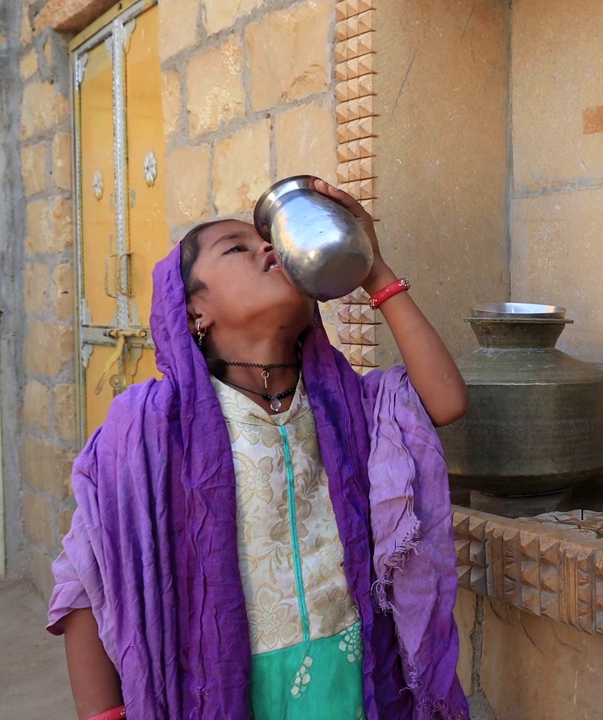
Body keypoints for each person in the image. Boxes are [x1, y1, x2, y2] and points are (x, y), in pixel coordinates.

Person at [46, 179, 471, 719]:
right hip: (221, 690)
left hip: (353, 679)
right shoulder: (149, 427)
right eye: (237, 248)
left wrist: (373, 268)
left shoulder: (350, 406)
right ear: (195, 311)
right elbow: (87, 576)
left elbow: (446, 401)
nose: (270, 248)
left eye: (271, 243)